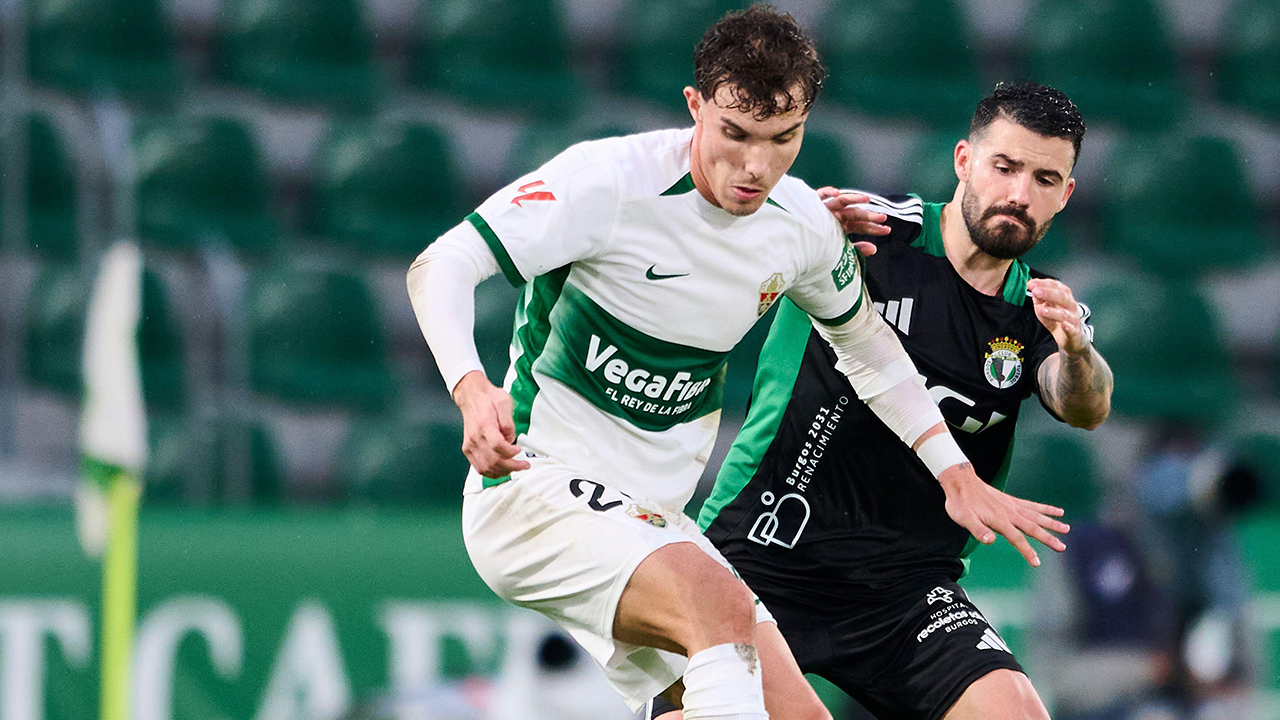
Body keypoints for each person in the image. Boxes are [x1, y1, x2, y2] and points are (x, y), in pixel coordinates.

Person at [407, 7, 1067, 717]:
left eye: (783, 138)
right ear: (695, 107)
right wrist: (470, 387)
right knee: (716, 605)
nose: (757, 166)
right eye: (736, 134)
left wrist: (954, 471)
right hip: (534, 485)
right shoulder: (609, 183)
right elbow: (443, 263)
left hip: (654, 520)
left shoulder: (801, 225)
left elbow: (869, 347)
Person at [652, 81, 1113, 720]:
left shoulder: (1039, 309)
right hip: (763, 552)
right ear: (964, 161)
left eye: (1044, 179)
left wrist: (1080, 350)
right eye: (1004, 167)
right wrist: (792, 227)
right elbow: (732, 247)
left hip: (907, 589)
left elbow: (1085, 406)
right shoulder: (868, 233)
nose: (1018, 194)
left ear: (1066, 194)